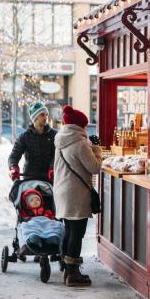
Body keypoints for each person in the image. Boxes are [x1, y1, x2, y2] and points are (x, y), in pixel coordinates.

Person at [53, 105, 102, 287]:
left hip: (62, 192)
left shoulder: (60, 140)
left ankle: (67, 269)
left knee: (70, 230)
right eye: (85, 126)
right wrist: (96, 148)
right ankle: (73, 275)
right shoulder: (80, 143)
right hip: (76, 194)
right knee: (77, 233)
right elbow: (95, 167)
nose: (85, 129)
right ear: (79, 126)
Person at [8, 102, 57, 183]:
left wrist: (53, 167)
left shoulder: (54, 135)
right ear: (35, 118)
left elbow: (58, 154)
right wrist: (13, 167)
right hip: (29, 179)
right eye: (42, 115)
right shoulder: (24, 137)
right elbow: (14, 156)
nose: (45, 117)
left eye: (46, 115)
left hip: (50, 179)